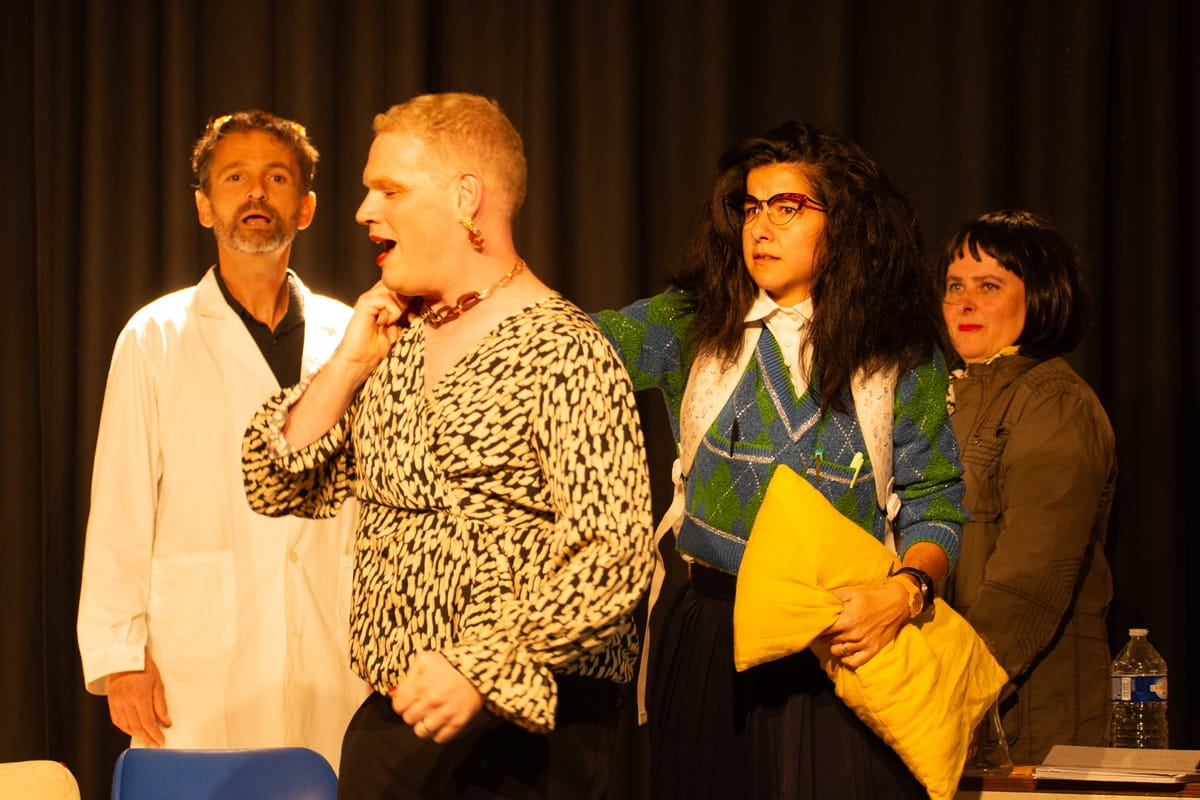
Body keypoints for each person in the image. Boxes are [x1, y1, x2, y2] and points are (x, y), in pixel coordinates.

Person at [240, 93, 654, 799]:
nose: (363, 211)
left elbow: (614, 554)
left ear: (466, 198)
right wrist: (348, 364)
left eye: (390, 190)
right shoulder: (397, 340)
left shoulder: (564, 350)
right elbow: (274, 482)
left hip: (525, 732)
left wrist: (484, 667)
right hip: (396, 724)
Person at [593, 120, 968, 799]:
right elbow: (571, 349)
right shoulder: (693, 323)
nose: (760, 228)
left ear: (844, 222)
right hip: (715, 640)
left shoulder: (898, 349)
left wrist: (905, 592)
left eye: (787, 207)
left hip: (842, 647)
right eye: (751, 208)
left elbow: (935, 499)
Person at [76, 110, 368, 770]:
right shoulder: (154, 338)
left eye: (277, 177)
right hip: (196, 657)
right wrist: (121, 656)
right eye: (235, 177)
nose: (256, 192)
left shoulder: (351, 338)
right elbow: (121, 505)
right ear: (205, 206)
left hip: (333, 645)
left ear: (307, 207)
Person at [940, 209, 1116, 764]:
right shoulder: (941, 400)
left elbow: (1031, 578)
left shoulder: (1054, 403)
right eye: (955, 286)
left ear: (1039, 296)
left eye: (989, 286)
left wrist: (947, 693)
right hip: (951, 709)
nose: (965, 303)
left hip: (1029, 721)